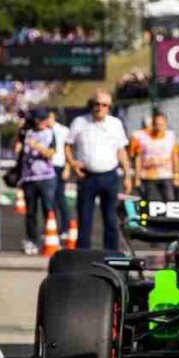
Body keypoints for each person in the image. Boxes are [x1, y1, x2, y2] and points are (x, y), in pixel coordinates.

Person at [66, 90, 132, 250]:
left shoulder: (115, 124)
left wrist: (128, 175)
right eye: (97, 104)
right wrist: (72, 163)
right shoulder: (79, 122)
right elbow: (68, 145)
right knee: (85, 219)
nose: (100, 108)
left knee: (110, 219)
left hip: (109, 175)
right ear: (92, 105)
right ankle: (82, 254)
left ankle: (111, 254)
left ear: (109, 107)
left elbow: (121, 151)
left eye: (104, 105)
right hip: (87, 176)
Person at [15, 113, 57, 255]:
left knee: (48, 209)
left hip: (46, 177)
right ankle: (32, 240)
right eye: (37, 119)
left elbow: (51, 153)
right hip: (29, 179)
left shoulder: (50, 133)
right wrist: (19, 132)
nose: (39, 122)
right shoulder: (27, 133)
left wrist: (37, 146)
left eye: (42, 119)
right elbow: (17, 149)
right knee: (30, 212)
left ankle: (49, 237)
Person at [134, 111, 179, 202]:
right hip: (148, 176)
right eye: (157, 124)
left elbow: (175, 157)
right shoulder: (142, 137)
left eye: (162, 124)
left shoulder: (170, 137)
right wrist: (137, 177)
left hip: (166, 175)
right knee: (148, 203)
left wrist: (177, 176)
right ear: (153, 124)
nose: (159, 127)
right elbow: (138, 158)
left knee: (170, 201)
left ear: (166, 124)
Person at [46, 108, 72, 233]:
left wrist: (67, 168)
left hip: (58, 166)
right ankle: (52, 227)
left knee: (60, 198)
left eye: (49, 118)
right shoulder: (44, 131)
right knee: (49, 200)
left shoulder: (63, 131)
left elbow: (69, 151)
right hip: (47, 168)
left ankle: (65, 227)